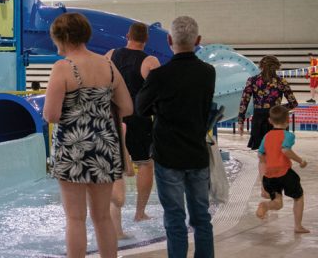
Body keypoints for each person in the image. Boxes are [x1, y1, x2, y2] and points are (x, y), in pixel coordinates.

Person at [43, 13, 132, 258]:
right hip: (104, 146)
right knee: (102, 217)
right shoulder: (108, 65)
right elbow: (127, 107)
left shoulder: (63, 68)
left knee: (75, 218)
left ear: (63, 38)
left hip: (72, 147)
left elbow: (51, 115)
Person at [136, 16, 215, 258]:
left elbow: (141, 107)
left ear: (169, 40)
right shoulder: (208, 72)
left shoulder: (160, 76)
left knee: (174, 218)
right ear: (198, 41)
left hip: (168, 155)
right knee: (202, 217)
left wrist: (159, 108)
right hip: (197, 153)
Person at [105, 22, 162, 222]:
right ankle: (139, 213)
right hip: (139, 118)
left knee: (114, 165)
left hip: (113, 116)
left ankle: (114, 219)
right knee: (145, 164)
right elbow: (159, 92)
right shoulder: (150, 61)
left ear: (127, 35)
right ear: (146, 39)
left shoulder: (111, 55)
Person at [255, 105, 309, 233]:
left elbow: (260, 156)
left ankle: (266, 205)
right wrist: (300, 161)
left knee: (278, 203)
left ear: (270, 121)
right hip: (284, 172)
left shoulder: (267, 136)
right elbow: (285, 149)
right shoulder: (288, 135)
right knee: (298, 197)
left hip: (269, 175)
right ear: (287, 121)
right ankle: (298, 226)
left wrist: (263, 181)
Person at [240, 55, 298, 150]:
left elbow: (244, 102)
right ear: (276, 67)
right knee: (277, 152)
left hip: (258, 121)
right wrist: (278, 109)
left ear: (261, 66)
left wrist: (240, 121)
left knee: (263, 154)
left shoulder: (252, 80)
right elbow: (293, 103)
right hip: (276, 120)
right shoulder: (281, 82)